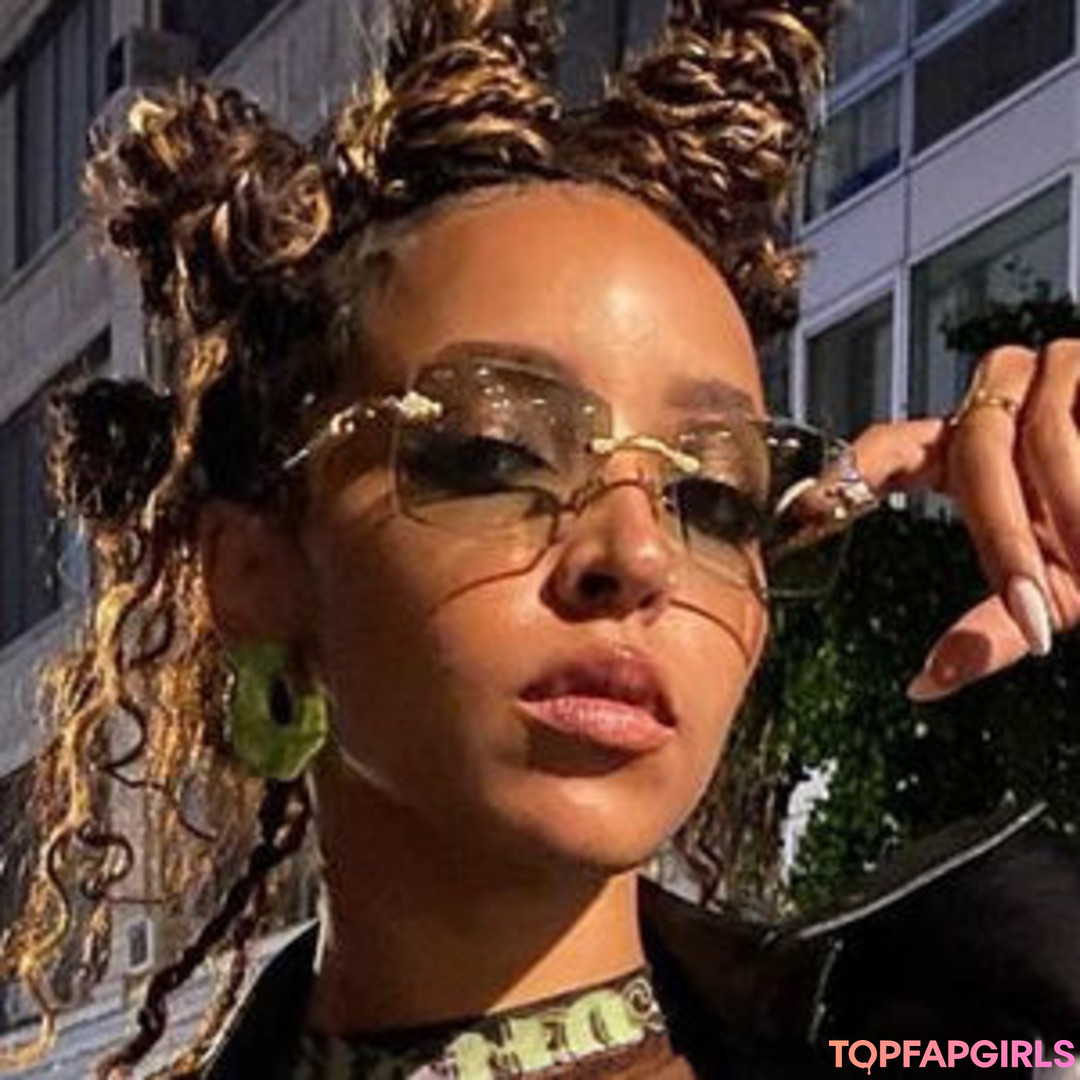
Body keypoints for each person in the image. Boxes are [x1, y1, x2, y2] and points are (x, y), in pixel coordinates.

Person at [0, 0, 1077, 1077]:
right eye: (497, 455)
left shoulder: (979, 1034)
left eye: (712, 498)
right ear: (253, 572)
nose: (639, 556)